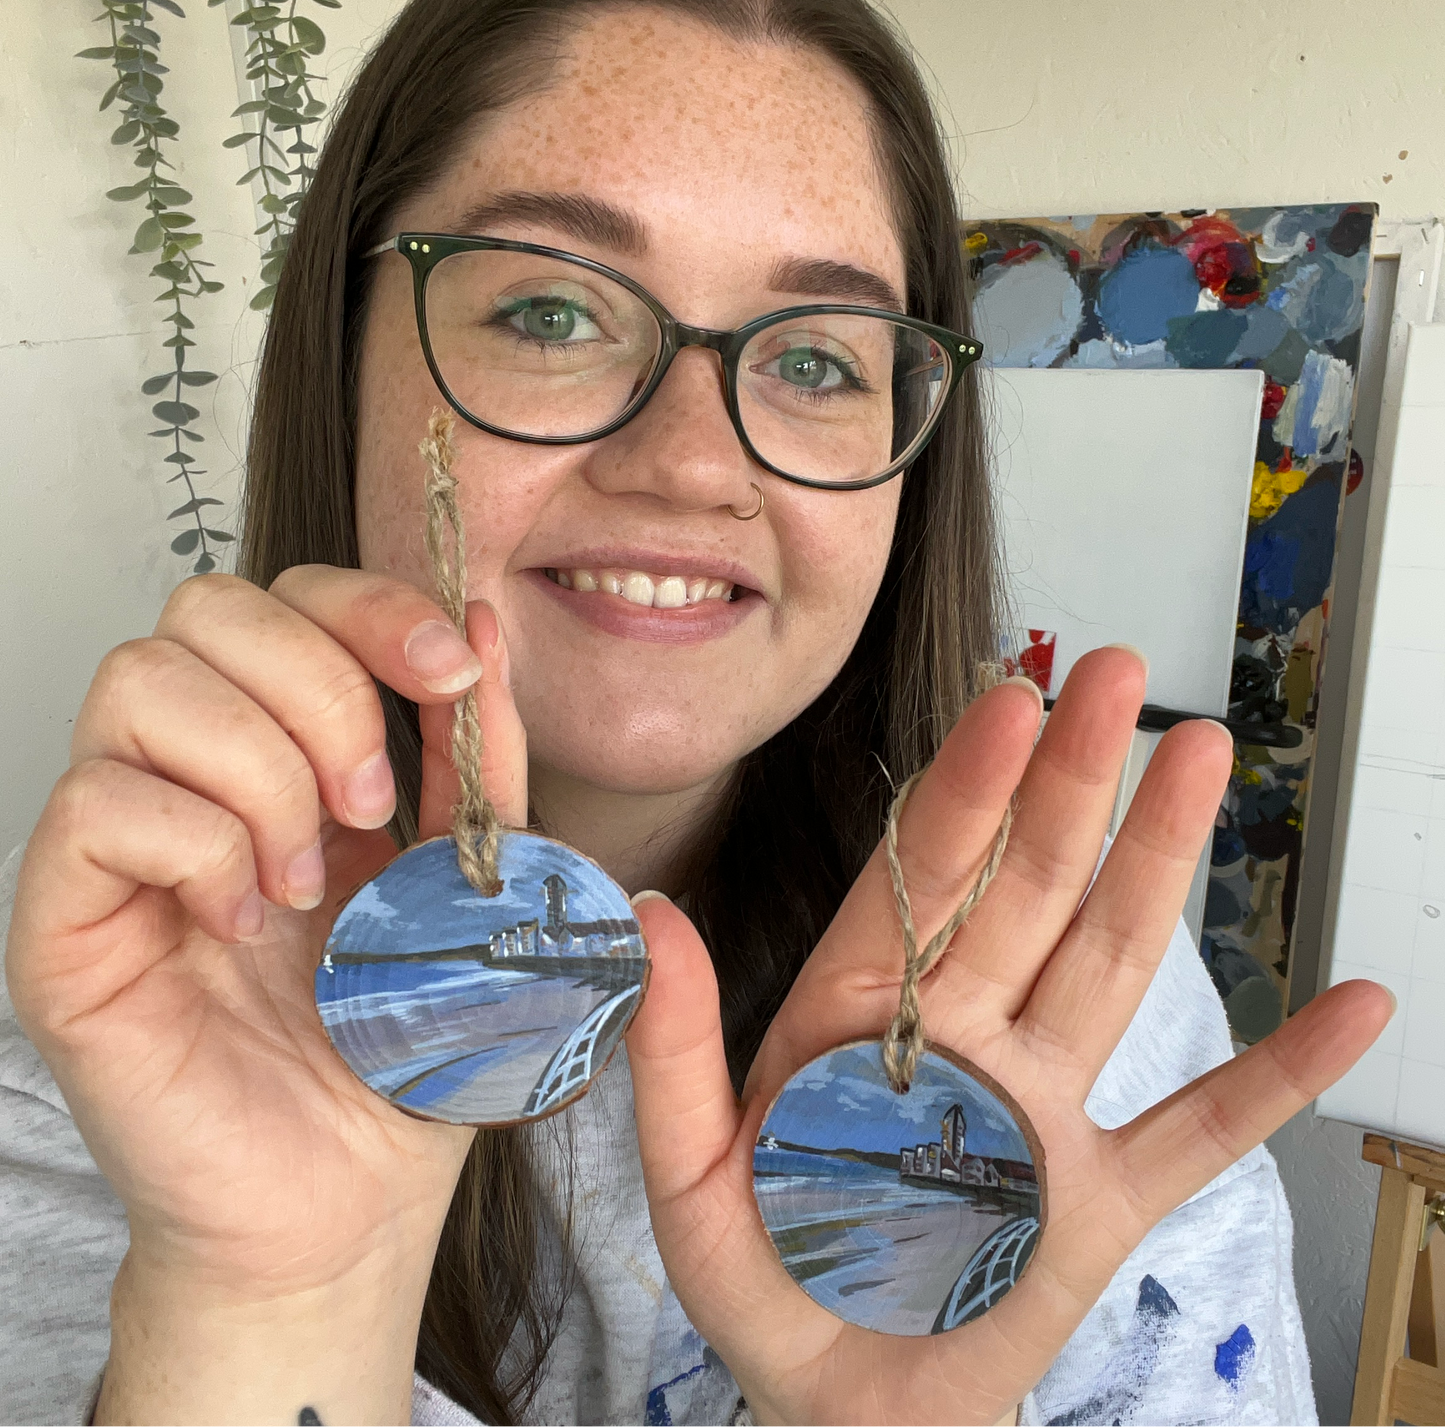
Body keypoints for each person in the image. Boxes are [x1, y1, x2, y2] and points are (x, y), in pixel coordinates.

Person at [1, 1, 1389, 1424]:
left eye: (813, 360)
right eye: (551, 310)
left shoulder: (1059, 1008)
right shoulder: (136, 1029)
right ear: (339, 352)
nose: (687, 462)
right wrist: (270, 1307)